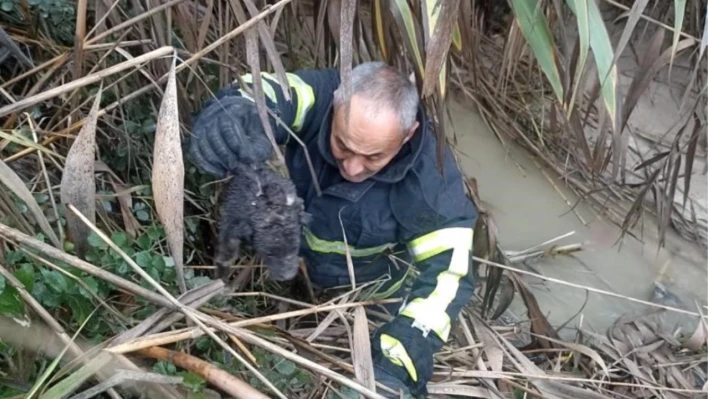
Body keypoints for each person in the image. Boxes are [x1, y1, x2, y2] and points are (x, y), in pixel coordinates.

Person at [188, 62, 478, 398]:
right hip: (285, 269)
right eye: (343, 145)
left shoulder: (432, 185)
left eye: (373, 157)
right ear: (337, 103)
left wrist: (400, 354)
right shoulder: (321, 95)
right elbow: (263, 90)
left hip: (363, 300)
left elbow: (450, 276)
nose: (353, 167)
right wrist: (234, 114)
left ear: (408, 134)